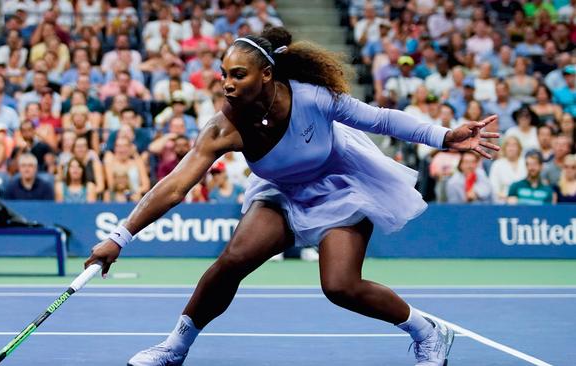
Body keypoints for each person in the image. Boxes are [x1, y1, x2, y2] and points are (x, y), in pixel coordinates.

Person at [85, 28, 499, 366]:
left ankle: (428, 332)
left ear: (266, 74)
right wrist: (120, 237)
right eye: (224, 74)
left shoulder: (313, 97)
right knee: (232, 261)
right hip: (280, 192)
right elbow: (175, 186)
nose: (228, 84)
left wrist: (445, 137)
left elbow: (382, 118)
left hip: (340, 184)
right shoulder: (223, 128)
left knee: (340, 286)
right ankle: (175, 347)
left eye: (239, 75)